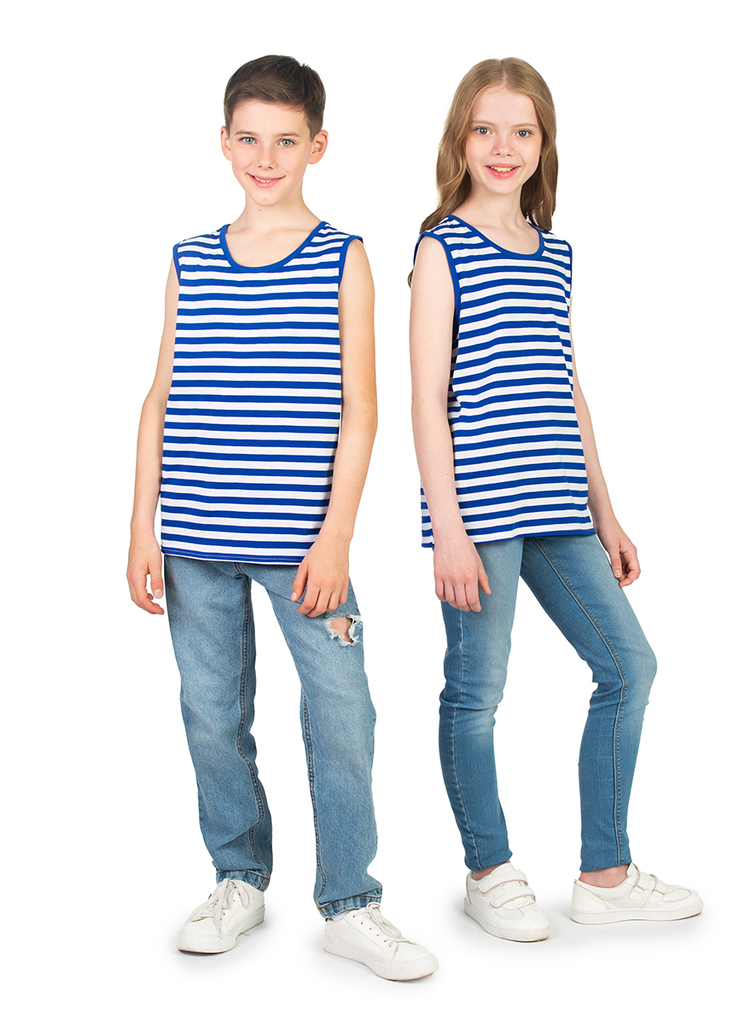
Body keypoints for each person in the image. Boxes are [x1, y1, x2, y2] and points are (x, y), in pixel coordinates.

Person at [127, 54, 437, 981]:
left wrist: (336, 537)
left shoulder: (343, 256)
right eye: (250, 140)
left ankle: (351, 901)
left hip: (304, 547)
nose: (266, 160)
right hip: (194, 538)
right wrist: (141, 526)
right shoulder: (189, 258)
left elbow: (361, 410)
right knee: (211, 714)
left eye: (286, 142)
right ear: (224, 143)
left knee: (343, 713)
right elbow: (161, 395)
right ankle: (238, 879)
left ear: (318, 146)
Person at [409, 57, 702, 941]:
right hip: (481, 513)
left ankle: (604, 874)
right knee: (478, 691)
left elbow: (565, 388)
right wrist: (448, 530)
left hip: (559, 505)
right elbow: (428, 398)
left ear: (544, 144)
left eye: (522, 131)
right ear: (461, 139)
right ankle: (489, 870)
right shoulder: (441, 248)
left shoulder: (556, 254)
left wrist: (606, 513)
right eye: (486, 129)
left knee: (629, 666)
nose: (503, 148)